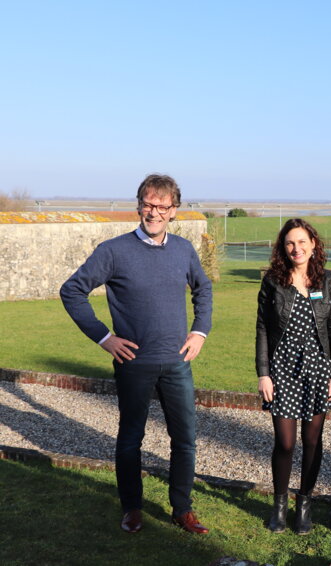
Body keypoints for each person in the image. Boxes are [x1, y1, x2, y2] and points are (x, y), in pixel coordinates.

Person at [60, 174, 213, 535]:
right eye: (148, 204)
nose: (154, 212)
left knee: (185, 438)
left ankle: (182, 509)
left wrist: (200, 331)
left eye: (162, 206)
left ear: (174, 211)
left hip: (177, 362)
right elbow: (72, 291)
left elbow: (203, 290)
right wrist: (104, 338)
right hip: (134, 365)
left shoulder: (183, 250)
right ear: (138, 206)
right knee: (131, 440)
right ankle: (131, 509)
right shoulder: (113, 251)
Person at [255, 218, 331, 534]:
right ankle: (279, 506)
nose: (297, 248)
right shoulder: (273, 282)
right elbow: (263, 328)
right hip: (283, 369)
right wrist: (263, 374)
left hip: (318, 370)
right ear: (283, 247)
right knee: (286, 442)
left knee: (312, 440)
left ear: (313, 244)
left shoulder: (327, 281)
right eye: (290, 243)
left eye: (302, 242)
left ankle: (304, 505)